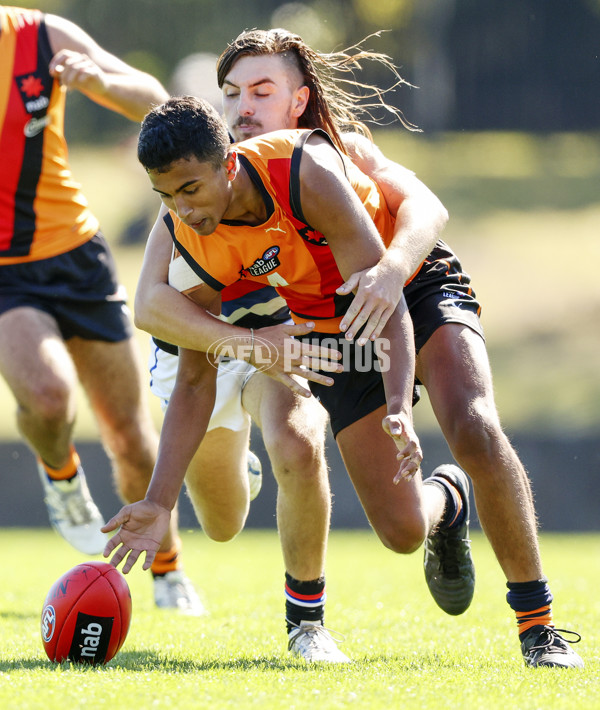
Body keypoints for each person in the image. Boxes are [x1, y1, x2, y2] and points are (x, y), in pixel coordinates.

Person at [102, 94, 480, 665]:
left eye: (190, 190)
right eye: (166, 196)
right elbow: (192, 378)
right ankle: (239, 467)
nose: (180, 209)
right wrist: (158, 502)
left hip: (312, 327)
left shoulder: (307, 173)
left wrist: (399, 405)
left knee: (344, 481)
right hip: (241, 337)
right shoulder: (192, 234)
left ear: (228, 163)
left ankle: (307, 625)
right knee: (224, 526)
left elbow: (385, 298)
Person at [0, 6, 202, 614]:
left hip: (76, 257)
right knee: (48, 397)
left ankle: (167, 570)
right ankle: (62, 480)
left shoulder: (37, 36)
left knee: (132, 439)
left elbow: (155, 100)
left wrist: (98, 80)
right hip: (6, 274)